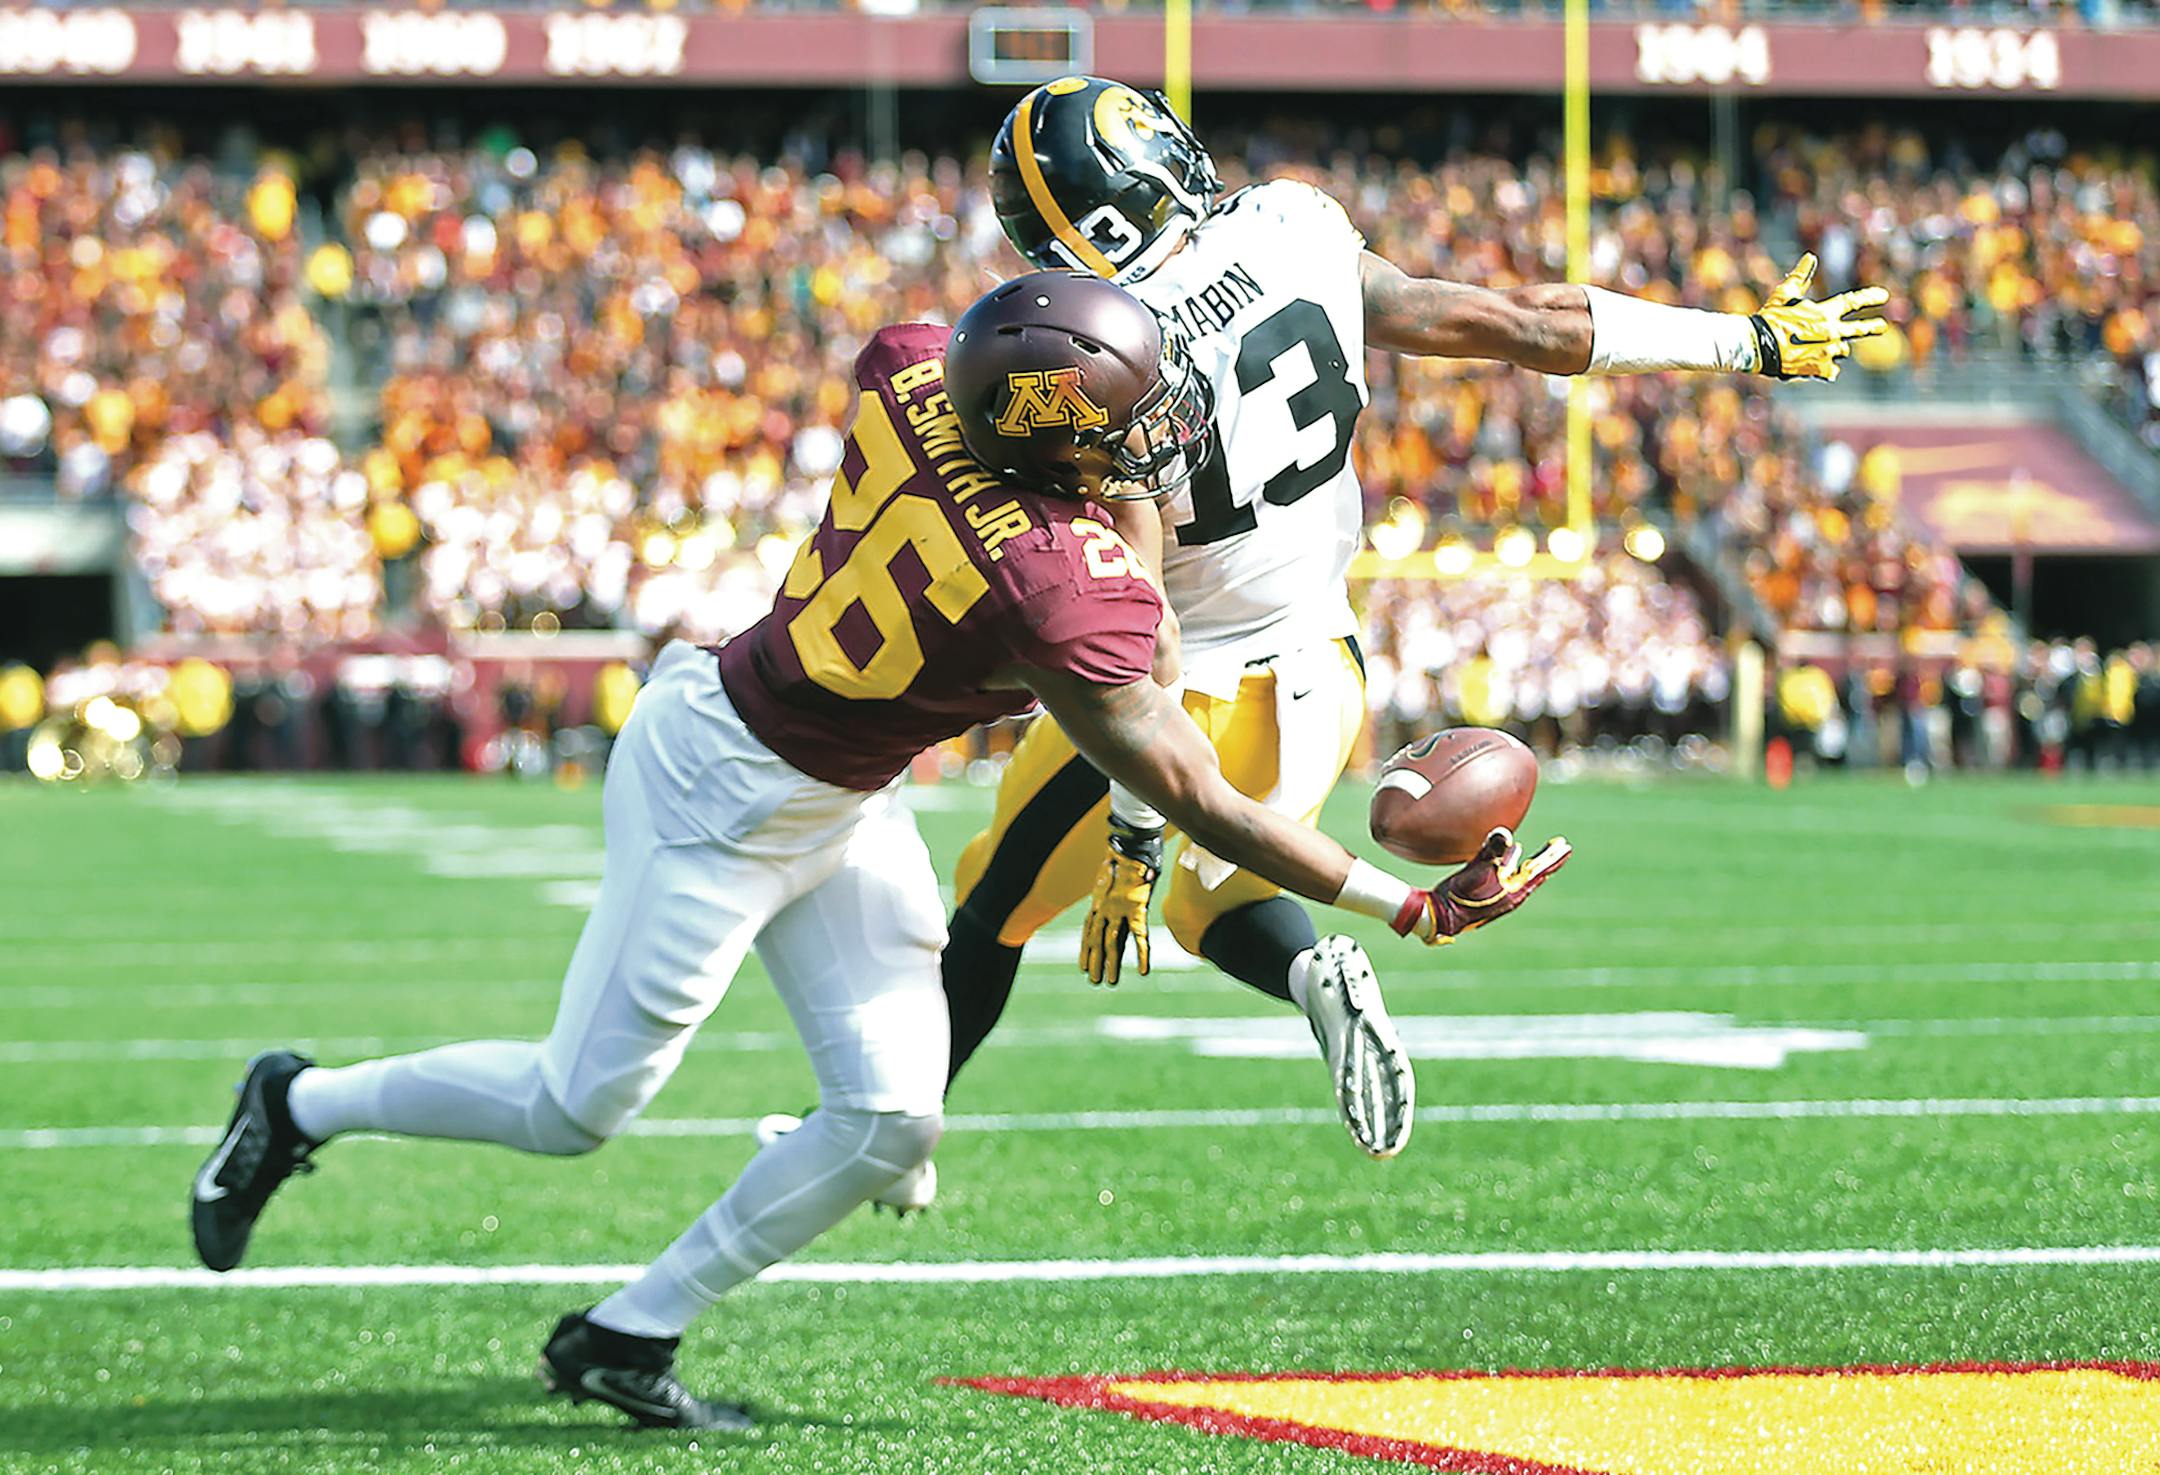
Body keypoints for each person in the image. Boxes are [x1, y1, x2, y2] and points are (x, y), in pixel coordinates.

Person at [188, 272, 1569, 1431]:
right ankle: (299, 1102)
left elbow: (999, 365)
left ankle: (627, 1332)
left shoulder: (918, 368)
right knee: (575, 1106)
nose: (1151, 440)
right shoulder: (1049, 583)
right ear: (1047, 442)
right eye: (1125, 427)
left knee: (896, 1116)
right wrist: (1402, 905)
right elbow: (1193, 785)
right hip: (716, 802)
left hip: (832, 790)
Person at [924, 76, 1887, 1169]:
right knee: (1217, 897)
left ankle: (885, 1125)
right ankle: (1305, 970)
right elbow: (1520, 321)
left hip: (1181, 692)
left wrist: (1136, 836)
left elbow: (1146, 617)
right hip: (1328, 673)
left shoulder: (1103, 347)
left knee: (995, 900)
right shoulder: (1290, 223)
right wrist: (1745, 339)